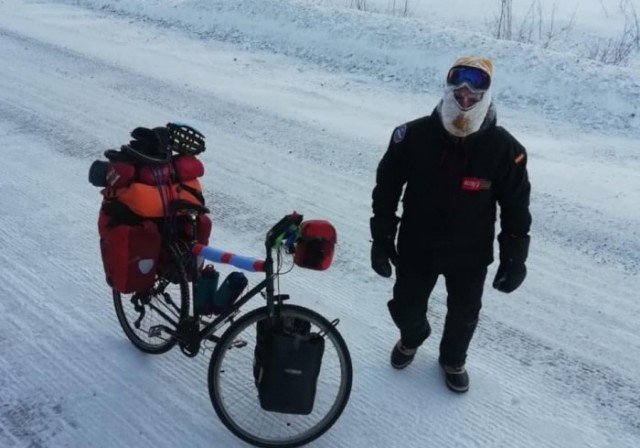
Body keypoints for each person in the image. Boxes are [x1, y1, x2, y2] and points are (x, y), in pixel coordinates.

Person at [369, 56, 531, 393]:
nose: (466, 96)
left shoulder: (506, 150)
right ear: (448, 89)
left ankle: (453, 359)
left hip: (470, 252)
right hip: (417, 244)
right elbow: (386, 189)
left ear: (485, 95)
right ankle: (412, 337)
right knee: (405, 306)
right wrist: (382, 238)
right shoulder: (410, 136)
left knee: (464, 313)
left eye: (475, 90)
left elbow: (516, 207)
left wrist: (514, 257)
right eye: (459, 89)